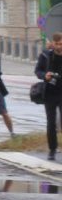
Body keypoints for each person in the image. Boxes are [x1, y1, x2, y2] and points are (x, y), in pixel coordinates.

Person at [38, 33, 62, 161]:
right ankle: (52, 149)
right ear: (53, 43)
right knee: (51, 123)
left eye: (61, 44)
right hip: (50, 93)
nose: (59, 46)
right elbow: (38, 71)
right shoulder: (46, 55)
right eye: (57, 44)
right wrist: (44, 75)